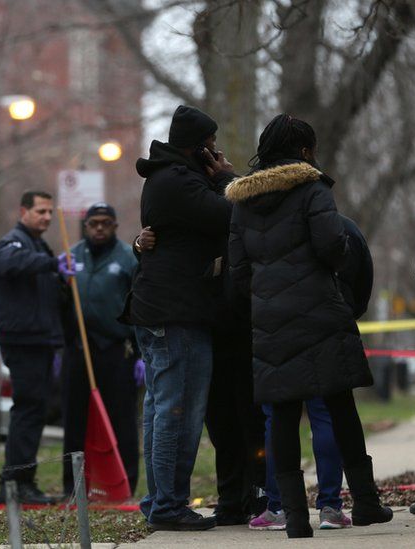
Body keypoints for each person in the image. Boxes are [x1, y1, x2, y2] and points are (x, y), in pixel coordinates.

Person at [226, 114, 393, 538]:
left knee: (281, 415)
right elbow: (332, 245)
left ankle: (296, 518)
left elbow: (238, 270)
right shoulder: (312, 189)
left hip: (271, 322)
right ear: (304, 151)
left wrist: (266, 297)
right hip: (319, 311)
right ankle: (366, 503)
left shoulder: (243, 202)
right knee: (339, 407)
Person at [121, 104, 236, 531]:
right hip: (176, 312)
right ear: (199, 148)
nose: (217, 152)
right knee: (177, 409)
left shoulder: (166, 178)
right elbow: (231, 214)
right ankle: (169, 504)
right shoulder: (180, 181)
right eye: (211, 146)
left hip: (163, 308)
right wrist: (224, 176)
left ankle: (160, 499)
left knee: (160, 408)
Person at [250, 214, 373, 532]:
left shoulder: (265, 227)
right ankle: (330, 505)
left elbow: (240, 276)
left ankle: (280, 507)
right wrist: (346, 311)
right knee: (326, 415)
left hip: (278, 333)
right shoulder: (341, 227)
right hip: (326, 330)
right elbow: (362, 277)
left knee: (279, 418)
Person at [0, 190, 68, 504]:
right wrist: (52, 264)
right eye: (41, 212)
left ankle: (21, 479)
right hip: (22, 340)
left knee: (34, 409)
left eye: (50, 212)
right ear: (24, 211)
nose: (47, 218)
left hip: (40, 340)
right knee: (27, 409)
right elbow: (10, 263)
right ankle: (16, 483)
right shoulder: (14, 242)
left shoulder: (39, 245)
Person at [61, 203, 140, 496]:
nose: (99, 228)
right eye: (93, 223)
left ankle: (125, 484)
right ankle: (73, 486)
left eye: (105, 223)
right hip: (78, 349)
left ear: (115, 226)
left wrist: (141, 355)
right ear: (85, 226)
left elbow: (137, 307)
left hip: (116, 351)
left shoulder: (128, 258)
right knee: (75, 422)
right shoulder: (71, 258)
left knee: (122, 420)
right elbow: (61, 304)